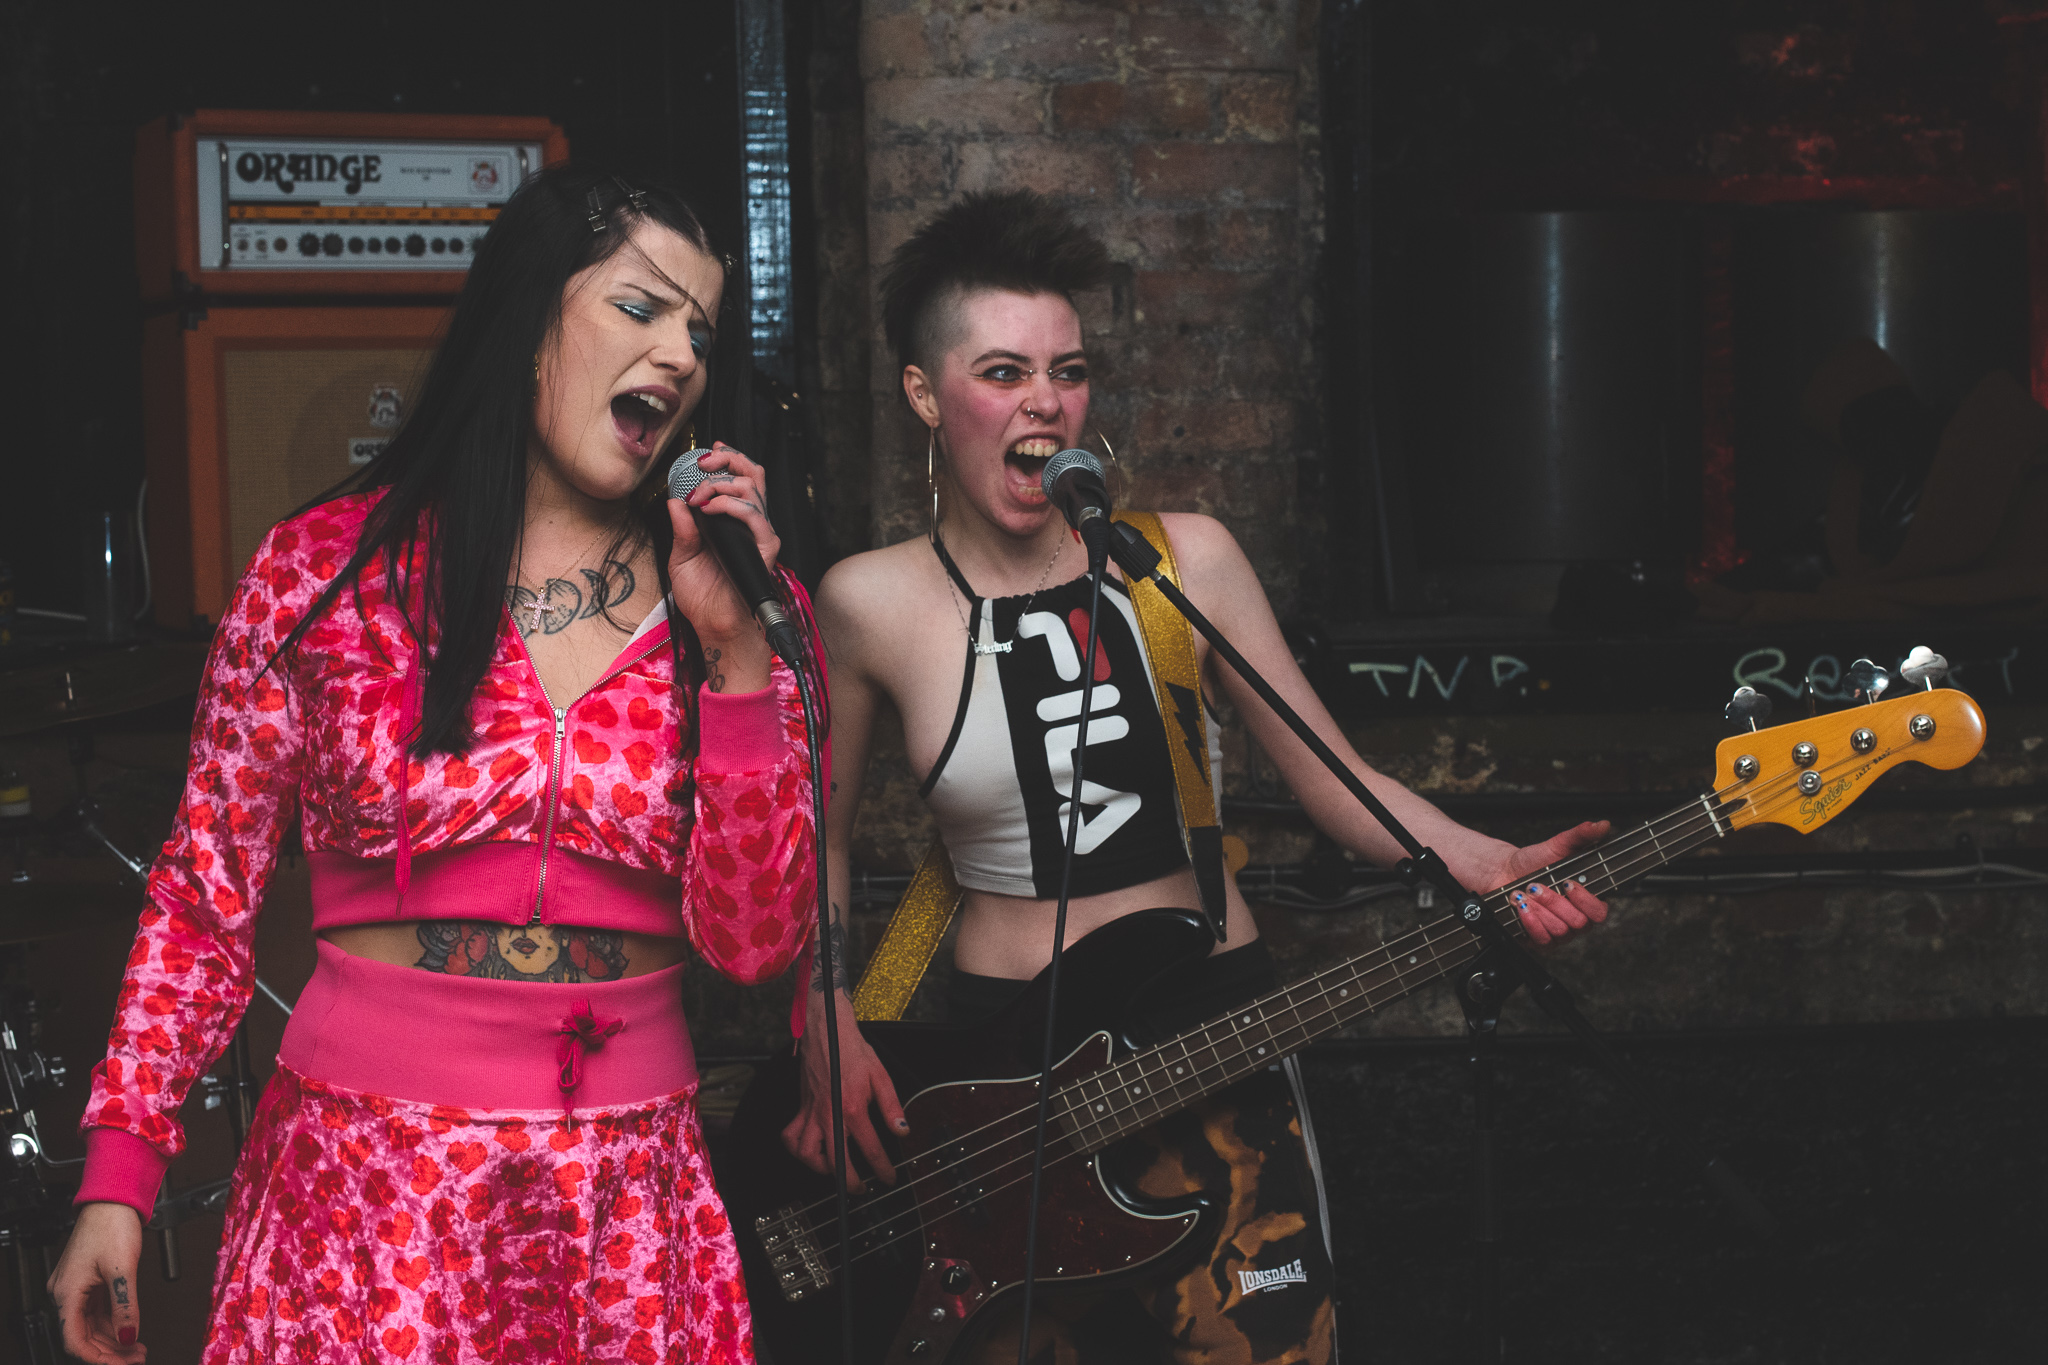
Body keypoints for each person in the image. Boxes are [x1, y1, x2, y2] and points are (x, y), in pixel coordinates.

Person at [783, 190, 1613, 1364]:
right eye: (1003, 372)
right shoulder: (866, 602)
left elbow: (1334, 779)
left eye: (1067, 372)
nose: (1044, 402)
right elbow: (807, 837)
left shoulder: (1182, 564)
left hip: (1209, 1032)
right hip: (1003, 1076)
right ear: (925, 394)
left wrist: (1489, 864)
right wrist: (823, 1015)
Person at [48, 166, 819, 1365]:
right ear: (528, 319)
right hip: (368, 1190)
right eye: (640, 308)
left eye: (700, 333)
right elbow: (203, 896)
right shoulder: (325, 577)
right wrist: (118, 1180)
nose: (678, 355)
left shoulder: (741, 613)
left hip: (624, 1208)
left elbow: (757, 945)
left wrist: (734, 653)